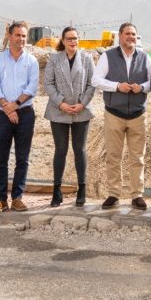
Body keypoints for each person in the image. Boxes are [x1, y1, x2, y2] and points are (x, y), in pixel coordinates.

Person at [91, 22, 151, 210]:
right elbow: (96, 80)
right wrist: (117, 86)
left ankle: (137, 195)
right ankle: (114, 194)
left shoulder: (145, 57)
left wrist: (142, 87)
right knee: (113, 156)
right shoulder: (107, 56)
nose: (131, 37)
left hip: (138, 115)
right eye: (127, 34)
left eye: (133, 34)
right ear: (120, 36)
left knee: (138, 157)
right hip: (114, 114)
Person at [0, 21, 39, 215]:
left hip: (25, 114)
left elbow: (32, 87)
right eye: (17, 35)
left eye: (24, 36)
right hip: (2, 114)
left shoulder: (32, 61)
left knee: (22, 158)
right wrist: (7, 109)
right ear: (10, 36)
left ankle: (17, 198)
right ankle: (1, 200)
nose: (21, 39)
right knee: (1, 158)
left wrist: (15, 105)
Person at [44, 27, 96, 207]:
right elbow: (48, 83)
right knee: (61, 150)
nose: (73, 41)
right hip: (59, 110)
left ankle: (82, 189)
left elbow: (92, 84)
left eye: (75, 38)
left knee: (79, 150)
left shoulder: (87, 58)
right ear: (63, 40)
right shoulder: (54, 58)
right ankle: (56, 190)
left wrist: (82, 103)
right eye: (69, 39)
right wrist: (61, 103)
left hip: (81, 110)